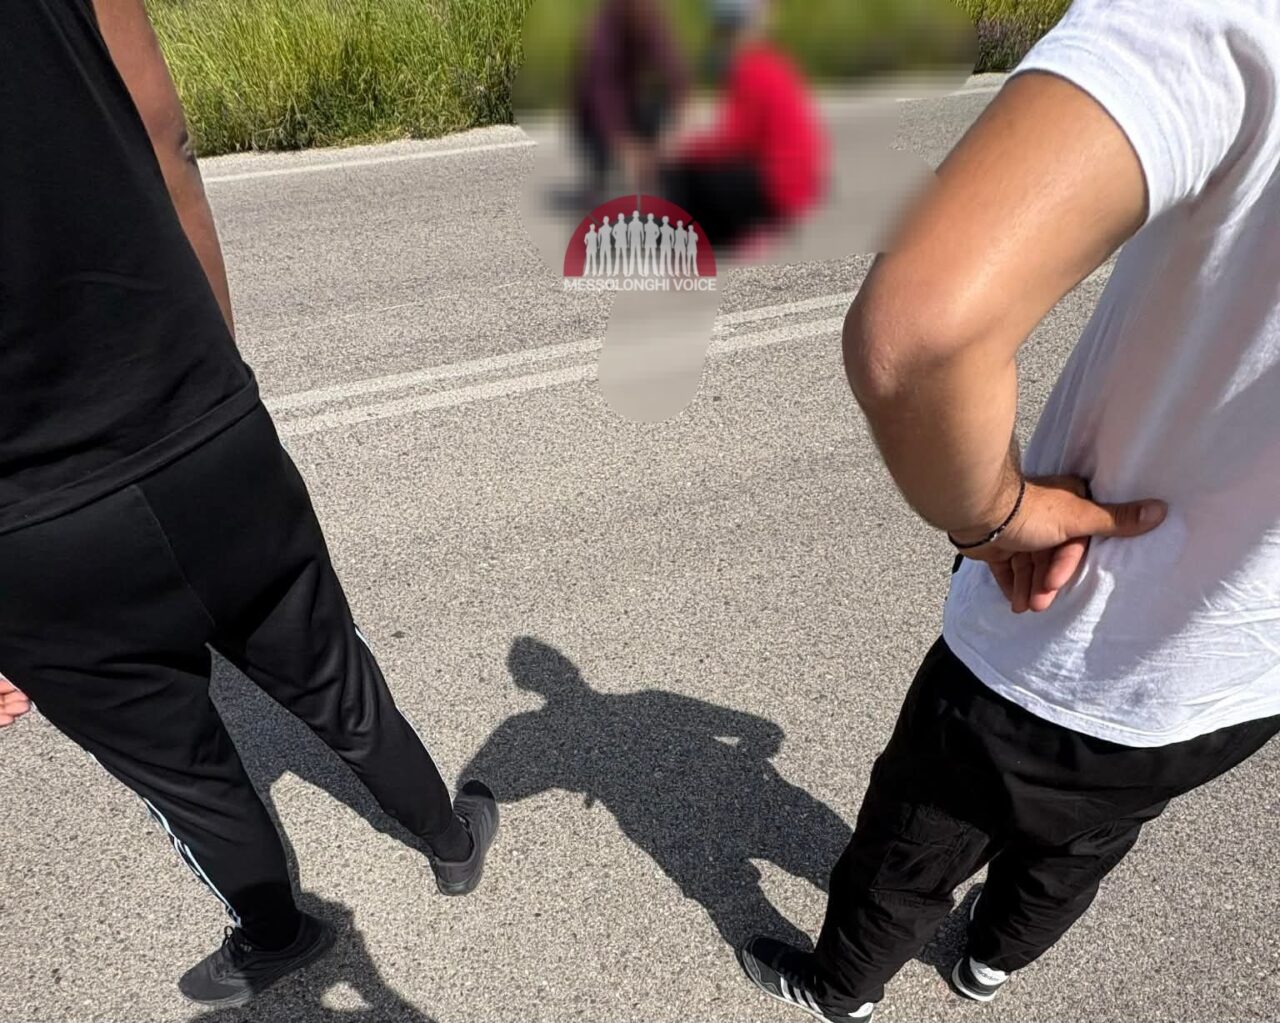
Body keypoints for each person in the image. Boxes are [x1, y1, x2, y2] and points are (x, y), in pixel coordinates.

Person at [736, 0, 1280, 1020]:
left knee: (919, 831)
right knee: (1085, 838)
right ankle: (989, 965)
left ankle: (842, 990)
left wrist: (990, 516)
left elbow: (917, 339)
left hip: (1062, 622)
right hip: (1241, 679)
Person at [0, 0, 499, 1010]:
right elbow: (166, 136)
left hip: (31, 529)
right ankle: (449, 840)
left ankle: (276, 935)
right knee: (331, 669)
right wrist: (220, 377)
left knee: (181, 771)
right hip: (199, 420)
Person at [661, 0, 828, 250]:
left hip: (779, 182)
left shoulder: (751, 68)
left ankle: (737, 228)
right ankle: (743, 225)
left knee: (685, 175)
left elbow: (735, 139)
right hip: (800, 179)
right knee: (698, 174)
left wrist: (685, 151)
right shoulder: (773, 62)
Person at [573, 0, 692, 203]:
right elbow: (600, 95)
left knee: (655, 99)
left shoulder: (651, 22)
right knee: (596, 125)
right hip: (596, 111)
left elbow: (673, 70)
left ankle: (650, 166)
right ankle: (598, 174)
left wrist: (682, 114)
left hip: (631, 101)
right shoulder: (604, 29)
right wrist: (625, 144)